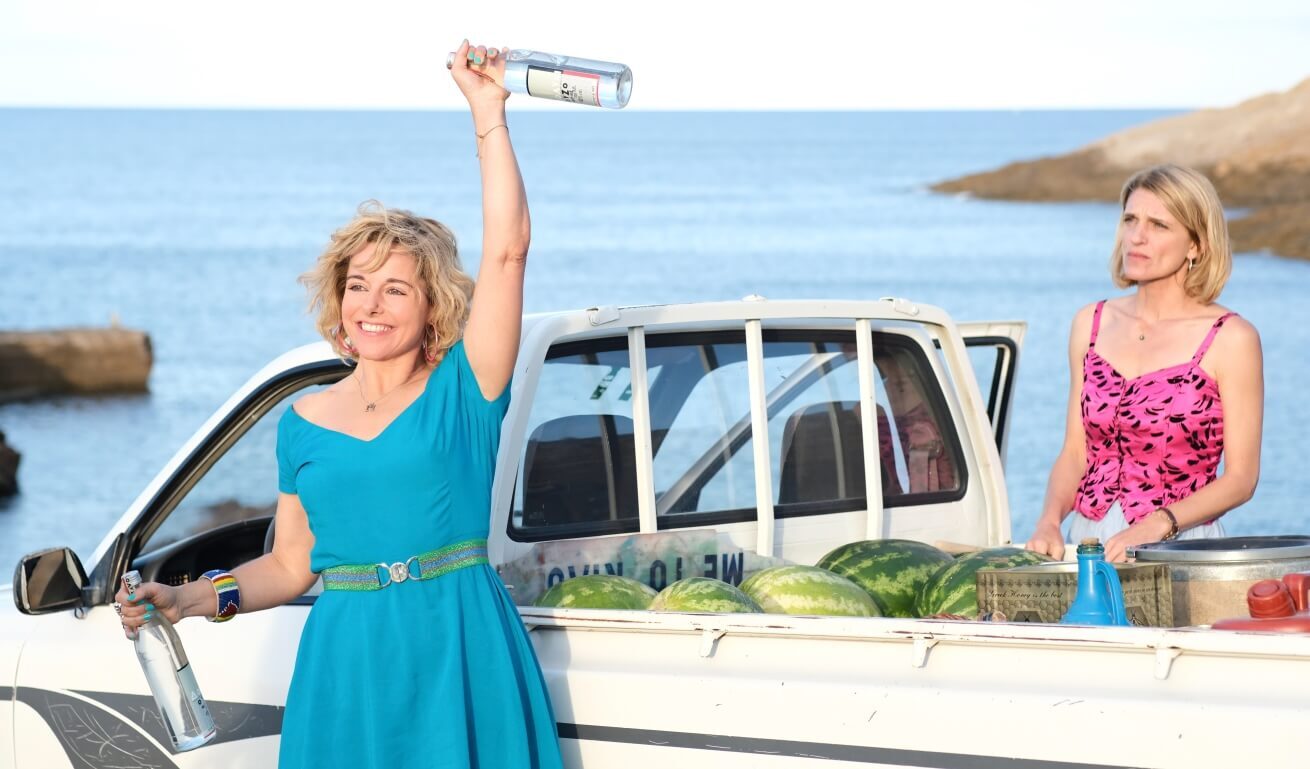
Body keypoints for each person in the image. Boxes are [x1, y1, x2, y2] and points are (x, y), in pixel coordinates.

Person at [114, 41, 564, 767]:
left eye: (396, 289)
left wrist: (487, 113)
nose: (372, 305)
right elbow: (291, 567)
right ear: (338, 299)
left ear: (433, 308)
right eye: (359, 285)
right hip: (346, 662)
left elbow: (508, 250)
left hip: (459, 642)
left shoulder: (466, 389)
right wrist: (188, 599)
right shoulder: (301, 422)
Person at [1026, 164, 1263, 563]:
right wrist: (1049, 520)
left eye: (1158, 225)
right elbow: (1075, 452)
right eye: (1130, 219)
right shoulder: (1091, 323)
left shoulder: (1232, 338)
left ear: (1196, 245)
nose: (1136, 237)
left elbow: (1241, 479)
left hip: (1182, 546)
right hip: (1088, 542)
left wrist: (1159, 523)